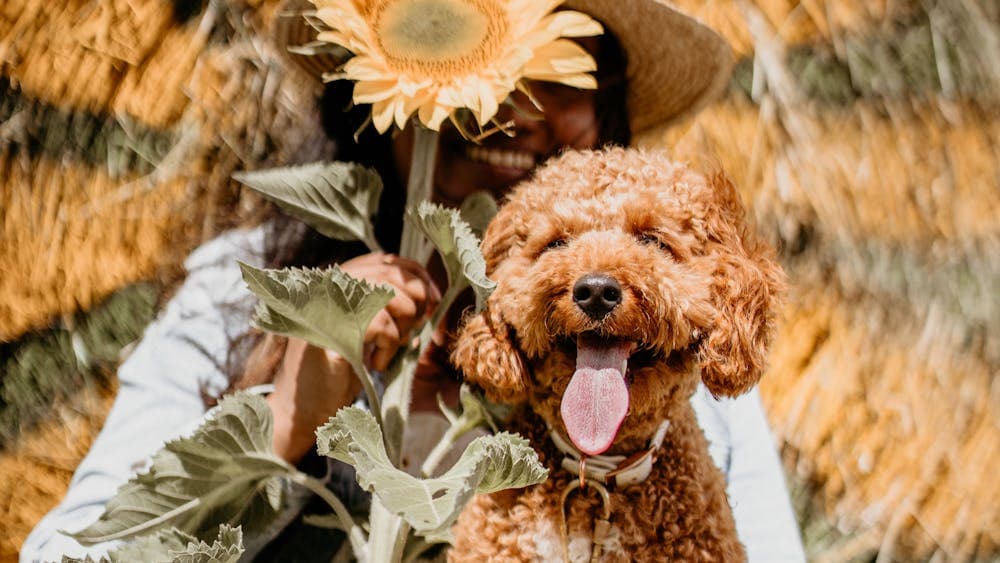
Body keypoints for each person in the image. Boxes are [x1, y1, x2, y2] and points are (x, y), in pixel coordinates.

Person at [22, 1, 806, 561]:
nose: (515, 108)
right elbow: (69, 550)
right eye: (481, 62)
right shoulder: (242, 291)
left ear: (608, 114)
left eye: (562, 72)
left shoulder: (671, 346)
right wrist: (290, 415)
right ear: (388, 89)